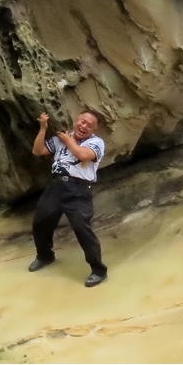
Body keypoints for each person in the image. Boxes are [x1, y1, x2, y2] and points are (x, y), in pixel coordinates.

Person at [28, 110, 108, 287]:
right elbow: (37, 150)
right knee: (41, 222)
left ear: (94, 129)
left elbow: (84, 156)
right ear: (76, 120)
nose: (83, 126)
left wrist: (68, 140)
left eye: (89, 125)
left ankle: (98, 270)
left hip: (78, 189)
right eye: (82, 121)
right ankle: (45, 256)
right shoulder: (61, 138)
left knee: (82, 228)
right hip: (56, 186)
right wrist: (43, 128)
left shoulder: (96, 142)